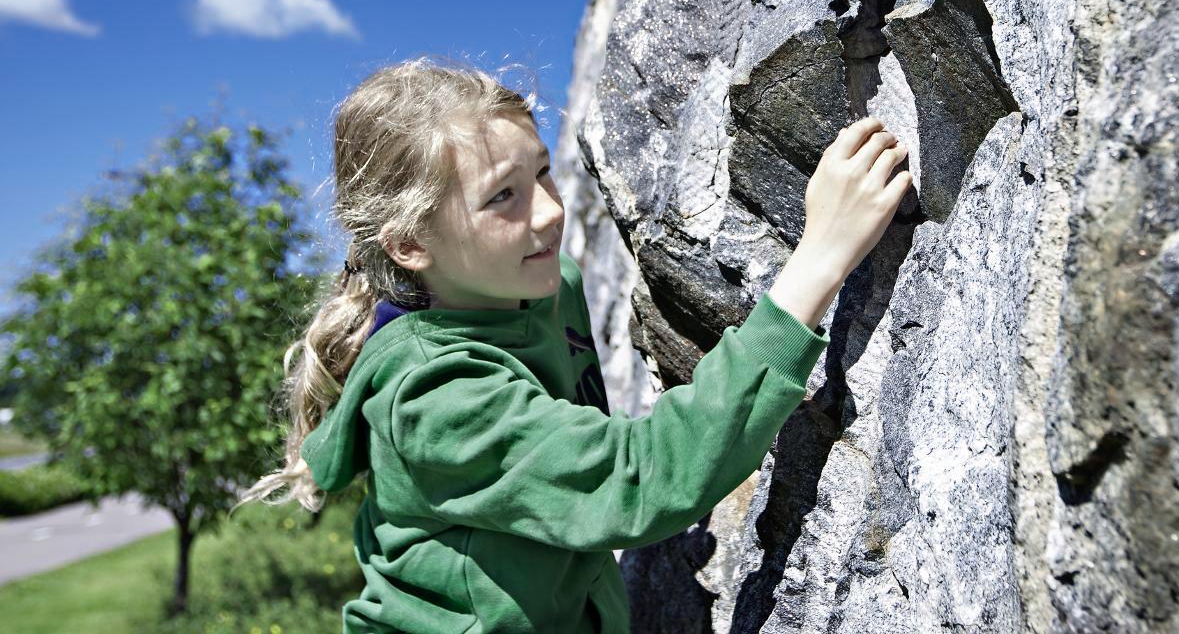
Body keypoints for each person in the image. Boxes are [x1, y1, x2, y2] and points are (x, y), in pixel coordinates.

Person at [234, 56, 912, 633]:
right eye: (502, 198)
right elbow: (639, 477)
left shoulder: (543, 284)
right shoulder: (431, 397)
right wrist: (820, 258)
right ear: (411, 245)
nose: (551, 210)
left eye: (542, 172)